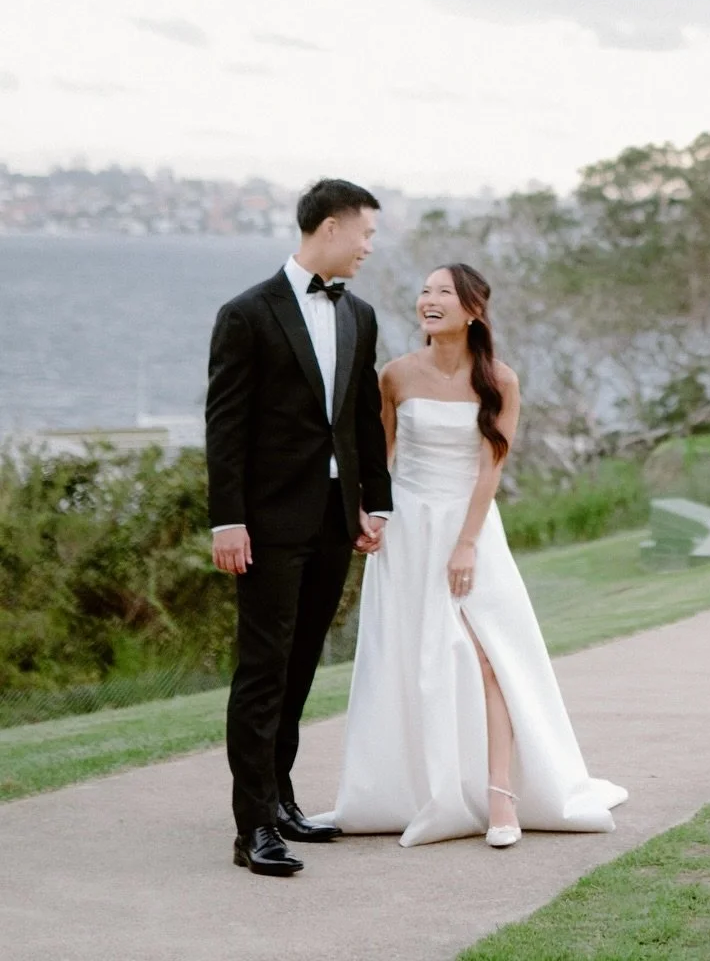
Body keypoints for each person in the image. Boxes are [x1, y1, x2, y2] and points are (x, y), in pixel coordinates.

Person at [330, 262, 625, 847]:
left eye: (444, 292)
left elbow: (491, 469)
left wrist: (466, 543)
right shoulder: (394, 375)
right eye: (425, 291)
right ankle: (427, 790)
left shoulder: (500, 381)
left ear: (473, 310)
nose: (429, 300)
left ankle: (500, 797)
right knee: (421, 659)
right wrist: (370, 514)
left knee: (489, 655)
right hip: (409, 529)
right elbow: (382, 457)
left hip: (471, 526)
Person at [206, 178, 393, 878]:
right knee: (262, 670)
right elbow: (224, 427)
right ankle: (251, 827)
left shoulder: (359, 315)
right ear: (331, 228)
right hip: (264, 524)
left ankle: (280, 800)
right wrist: (228, 519)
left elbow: (361, 418)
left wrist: (376, 504)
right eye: (366, 233)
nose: (371, 246)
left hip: (334, 522)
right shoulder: (246, 314)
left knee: (301, 665)